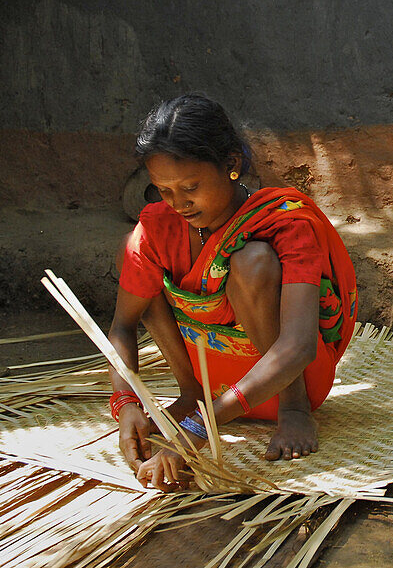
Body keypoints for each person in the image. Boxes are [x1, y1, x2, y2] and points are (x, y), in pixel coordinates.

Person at [107, 94, 358, 491]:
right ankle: (191, 393)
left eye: (190, 186)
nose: (179, 204)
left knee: (251, 261)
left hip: (289, 382)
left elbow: (298, 347)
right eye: (164, 190)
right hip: (207, 387)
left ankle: (292, 408)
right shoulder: (158, 228)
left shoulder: (285, 224)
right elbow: (122, 325)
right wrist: (126, 406)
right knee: (139, 252)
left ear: (232, 166)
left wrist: (198, 429)